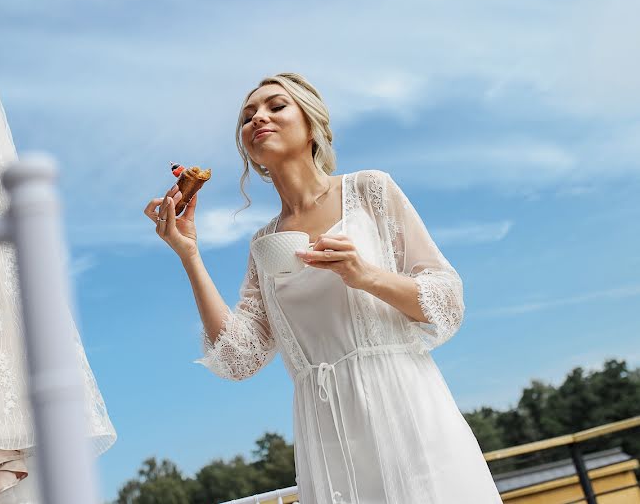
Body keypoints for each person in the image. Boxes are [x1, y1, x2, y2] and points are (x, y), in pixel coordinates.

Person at [143, 73, 502, 503]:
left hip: (406, 411)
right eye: (247, 115)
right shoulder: (264, 244)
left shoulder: (370, 191)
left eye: (276, 107)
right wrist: (189, 254)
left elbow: (447, 301)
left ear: (312, 125)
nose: (258, 117)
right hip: (325, 436)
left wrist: (364, 274)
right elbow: (239, 358)